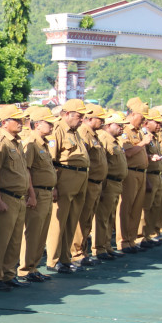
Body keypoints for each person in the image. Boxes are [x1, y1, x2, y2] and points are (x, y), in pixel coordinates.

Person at [0, 104, 32, 289]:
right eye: (16, 120)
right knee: (0, 239)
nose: (21, 123)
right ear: (4, 122)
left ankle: (9, 273)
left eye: (21, 120)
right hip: (6, 196)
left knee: (15, 239)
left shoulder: (17, 142)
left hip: (19, 197)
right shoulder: (0, 142)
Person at [46, 99, 90, 273]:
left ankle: (65, 258)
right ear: (67, 114)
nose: (82, 119)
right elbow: (51, 160)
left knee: (71, 221)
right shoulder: (58, 130)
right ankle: (53, 260)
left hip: (80, 178)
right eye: (79, 116)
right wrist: (54, 186)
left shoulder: (75, 132)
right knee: (58, 222)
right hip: (65, 177)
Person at [18, 107, 58, 280]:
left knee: (41, 233)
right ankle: (25, 268)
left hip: (46, 192)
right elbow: (26, 170)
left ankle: (33, 267)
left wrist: (53, 187)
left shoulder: (44, 143)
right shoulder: (31, 143)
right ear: (38, 124)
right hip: (38, 193)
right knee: (33, 232)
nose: (52, 126)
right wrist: (32, 195)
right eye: (48, 123)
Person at [70, 104, 108, 266]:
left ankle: (83, 250)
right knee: (82, 219)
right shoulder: (84, 133)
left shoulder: (93, 134)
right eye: (100, 119)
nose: (103, 122)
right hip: (88, 182)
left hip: (95, 183)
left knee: (87, 220)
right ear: (91, 119)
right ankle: (77, 253)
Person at [92, 111, 129, 260]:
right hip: (108, 182)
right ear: (108, 125)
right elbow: (103, 162)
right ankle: (99, 248)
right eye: (119, 125)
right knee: (102, 217)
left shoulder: (114, 140)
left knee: (110, 216)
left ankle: (106, 245)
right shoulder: (104, 138)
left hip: (116, 183)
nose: (122, 128)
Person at [116, 99, 150, 253]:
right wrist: (143, 143)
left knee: (136, 208)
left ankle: (131, 239)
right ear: (134, 114)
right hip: (130, 172)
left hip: (141, 173)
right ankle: (122, 241)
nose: (144, 121)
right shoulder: (125, 131)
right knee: (126, 208)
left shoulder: (139, 131)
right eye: (142, 117)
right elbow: (128, 153)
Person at [137, 108, 162, 247]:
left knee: (155, 206)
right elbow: (141, 155)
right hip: (148, 175)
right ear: (147, 123)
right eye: (157, 122)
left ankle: (149, 234)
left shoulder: (153, 137)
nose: (159, 125)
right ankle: (141, 236)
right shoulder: (144, 136)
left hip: (157, 175)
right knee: (145, 207)